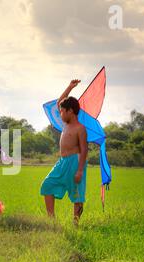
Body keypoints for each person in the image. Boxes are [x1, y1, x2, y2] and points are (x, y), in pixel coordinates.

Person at [40, 79, 88, 226]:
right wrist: (70, 87)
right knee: (47, 185)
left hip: (76, 162)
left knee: (77, 195)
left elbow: (85, 150)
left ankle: (76, 223)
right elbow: (60, 102)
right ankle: (51, 220)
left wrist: (80, 170)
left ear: (70, 111)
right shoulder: (65, 123)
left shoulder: (80, 128)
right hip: (62, 162)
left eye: (62, 111)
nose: (60, 113)